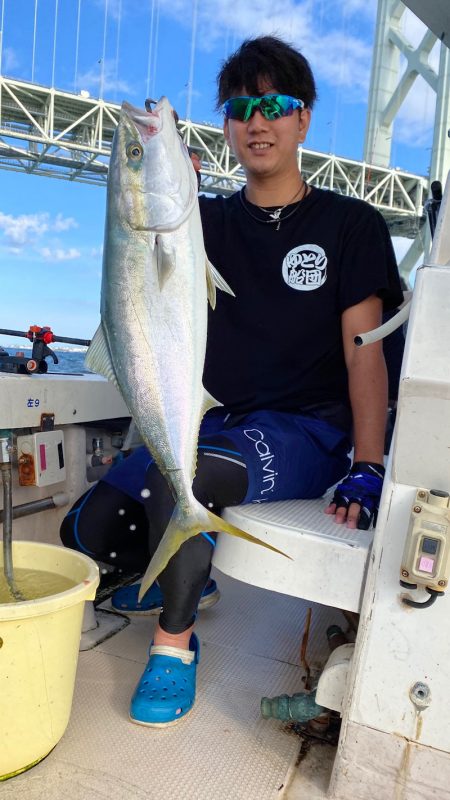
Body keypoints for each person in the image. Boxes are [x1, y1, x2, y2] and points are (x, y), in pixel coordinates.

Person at [61, 35, 404, 728]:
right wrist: (170, 181)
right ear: (224, 127)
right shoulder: (201, 222)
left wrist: (368, 468)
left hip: (303, 429)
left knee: (188, 475)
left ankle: (174, 648)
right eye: (241, 105)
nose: (257, 119)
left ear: (303, 118)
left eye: (274, 103)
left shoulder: (351, 225)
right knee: (87, 533)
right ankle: (188, 575)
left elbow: (366, 354)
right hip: (211, 419)